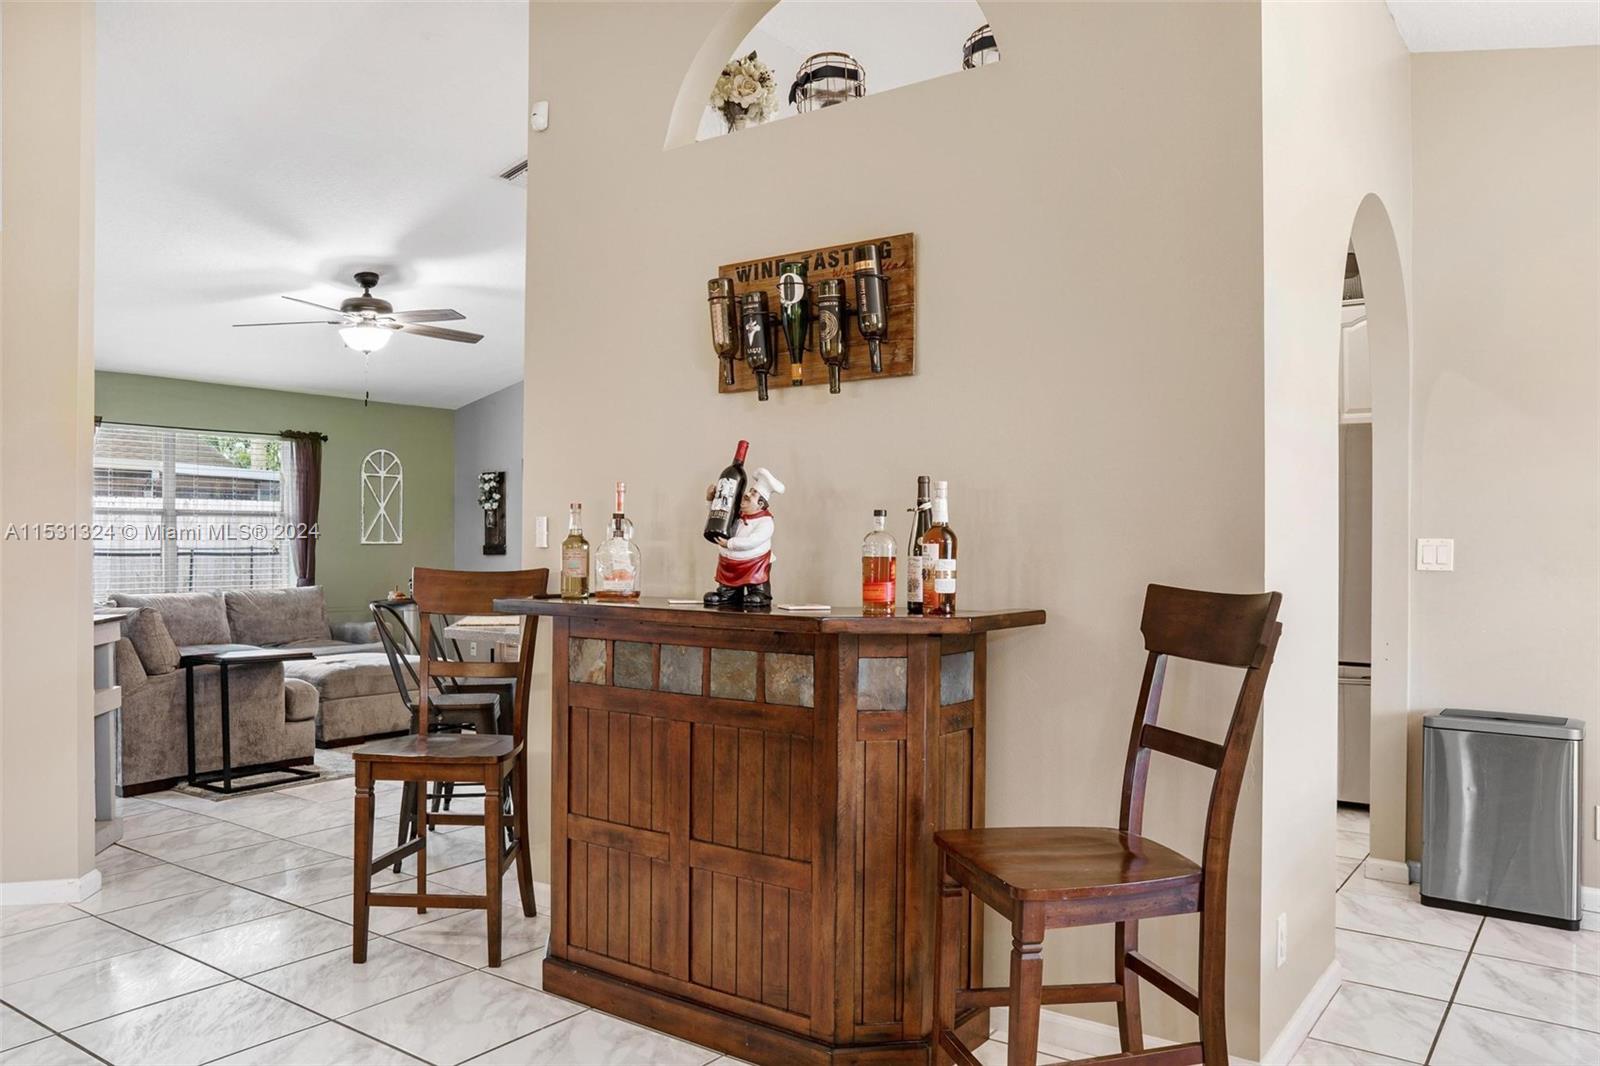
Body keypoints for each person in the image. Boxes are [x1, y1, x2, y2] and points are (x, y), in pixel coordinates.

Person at [703, 466, 784, 610]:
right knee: (727, 584)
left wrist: (730, 543)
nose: (746, 494)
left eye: (753, 494)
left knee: (756, 584)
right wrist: (711, 500)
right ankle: (728, 594)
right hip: (729, 563)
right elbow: (719, 514)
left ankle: (760, 594)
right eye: (750, 491)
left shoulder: (765, 522)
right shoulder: (737, 512)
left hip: (754, 562)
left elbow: (753, 541)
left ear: (760, 504)